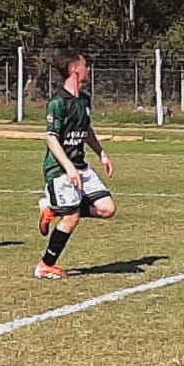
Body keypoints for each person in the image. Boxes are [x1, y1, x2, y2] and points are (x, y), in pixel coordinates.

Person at [34, 48, 115, 280]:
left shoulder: (84, 100)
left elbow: (85, 129)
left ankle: (52, 208)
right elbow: (51, 138)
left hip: (80, 166)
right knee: (71, 217)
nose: (88, 69)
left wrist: (101, 153)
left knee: (107, 208)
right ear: (75, 69)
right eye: (85, 65)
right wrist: (69, 168)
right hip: (60, 169)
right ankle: (45, 265)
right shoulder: (58, 102)